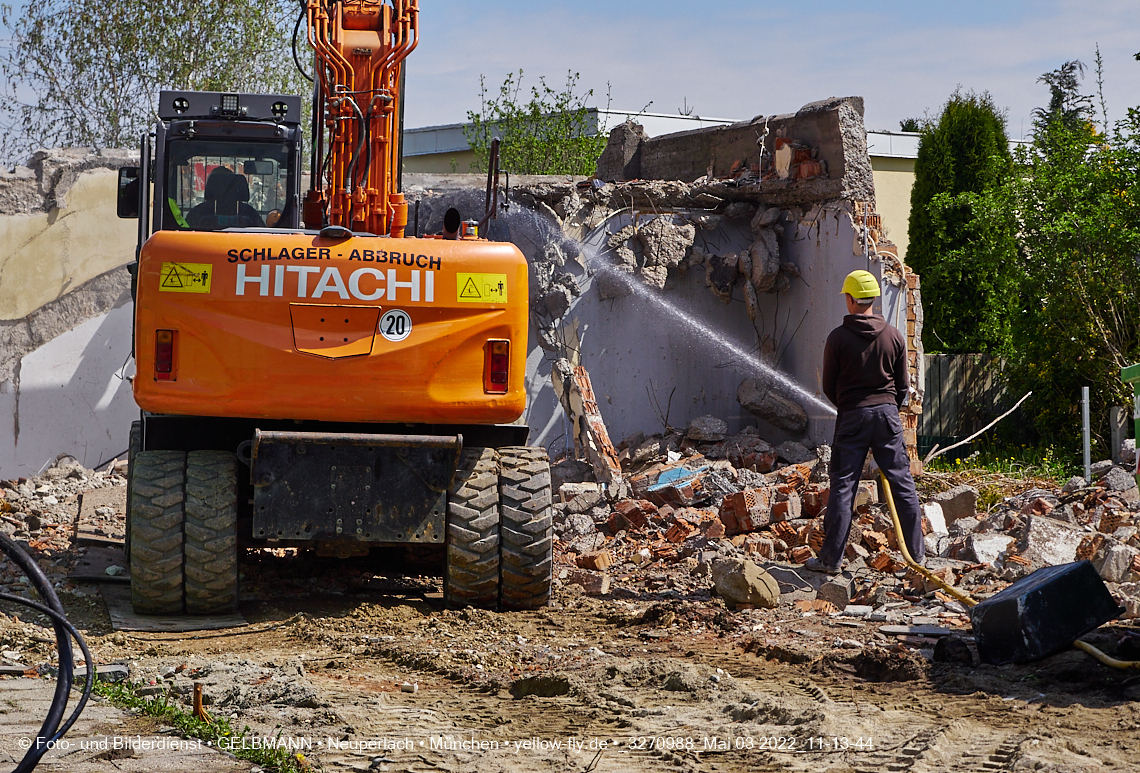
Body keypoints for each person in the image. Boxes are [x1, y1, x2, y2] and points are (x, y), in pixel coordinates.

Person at [807, 269, 925, 574]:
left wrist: (852, 408)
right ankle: (918, 557)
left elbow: (830, 387)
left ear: (849, 299)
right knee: (902, 484)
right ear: (873, 299)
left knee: (844, 487)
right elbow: (902, 387)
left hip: (852, 417)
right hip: (887, 416)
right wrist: (886, 409)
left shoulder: (838, 338)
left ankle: (830, 560)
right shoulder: (894, 336)